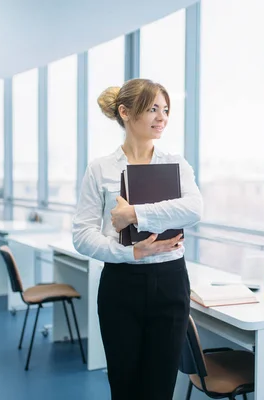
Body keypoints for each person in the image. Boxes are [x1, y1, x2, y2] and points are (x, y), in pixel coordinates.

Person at [72, 78, 203, 400]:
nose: (162, 118)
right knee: (124, 382)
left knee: (159, 386)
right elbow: (82, 234)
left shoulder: (175, 163)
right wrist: (130, 252)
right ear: (125, 112)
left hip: (170, 282)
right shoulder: (100, 168)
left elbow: (194, 209)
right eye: (153, 109)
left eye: (166, 110)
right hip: (121, 283)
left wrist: (134, 215)